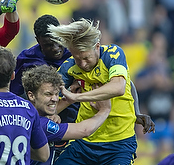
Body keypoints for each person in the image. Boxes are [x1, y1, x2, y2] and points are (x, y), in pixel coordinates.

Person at [47, 18, 152, 164]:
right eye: (77, 58)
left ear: (97, 46)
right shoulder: (69, 67)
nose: (82, 64)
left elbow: (120, 86)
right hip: (83, 143)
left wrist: (136, 112)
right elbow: (49, 101)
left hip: (119, 145)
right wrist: (54, 111)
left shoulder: (113, 54)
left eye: (86, 58)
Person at [21, 64, 111, 165]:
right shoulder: (42, 124)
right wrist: (104, 110)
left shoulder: (24, 113)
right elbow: (84, 130)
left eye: (56, 94)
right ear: (31, 95)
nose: (55, 99)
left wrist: (69, 100)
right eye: (48, 94)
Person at [10, 14, 71, 98]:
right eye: (49, 45)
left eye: (58, 40)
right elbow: (15, 93)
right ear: (38, 40)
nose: (56, 48)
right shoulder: (27, 59)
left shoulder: (73, 54)